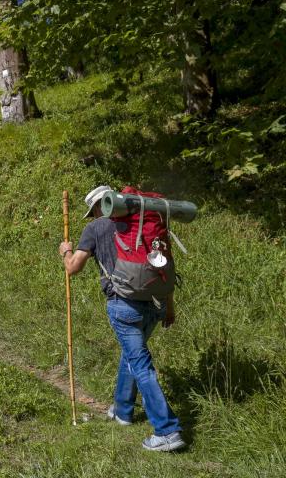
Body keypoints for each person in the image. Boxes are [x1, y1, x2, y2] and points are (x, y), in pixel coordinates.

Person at [59, 185, 186, 452]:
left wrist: (65, 252)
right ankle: (123, 411)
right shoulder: (141, 222)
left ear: (98, 207)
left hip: (123, 305)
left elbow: (73, 269)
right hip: (155, 303)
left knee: (140, 363)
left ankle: (167, 430)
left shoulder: (95, 229)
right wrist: (169, 306)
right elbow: (163, 265)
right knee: (131, 355)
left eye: (93, 212)